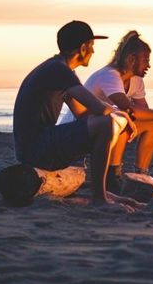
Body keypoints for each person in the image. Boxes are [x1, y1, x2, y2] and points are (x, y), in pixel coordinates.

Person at [13, 21, 134, 205]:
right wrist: (121, 114)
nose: (93, 52)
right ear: (83, 48)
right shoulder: (58, 69)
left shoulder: (58, 69)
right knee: (105, 124)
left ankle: (101, 193)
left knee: (103, 123)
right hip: (35, 149)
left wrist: (112, 116)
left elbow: (82, 113)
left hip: (33, 147)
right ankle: (100, 198)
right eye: (92, 46)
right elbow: (99, 109)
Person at [65, 30, 153, 191]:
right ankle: (112, 175)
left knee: (152, 123)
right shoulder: (109, 75)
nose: (148, 65)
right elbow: (128, 108)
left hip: (101, 126)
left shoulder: (136, 80)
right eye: (145, 60)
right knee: (121, 119)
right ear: (131, 59)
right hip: (78, 129)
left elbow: (143, 112)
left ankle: (142, 175)